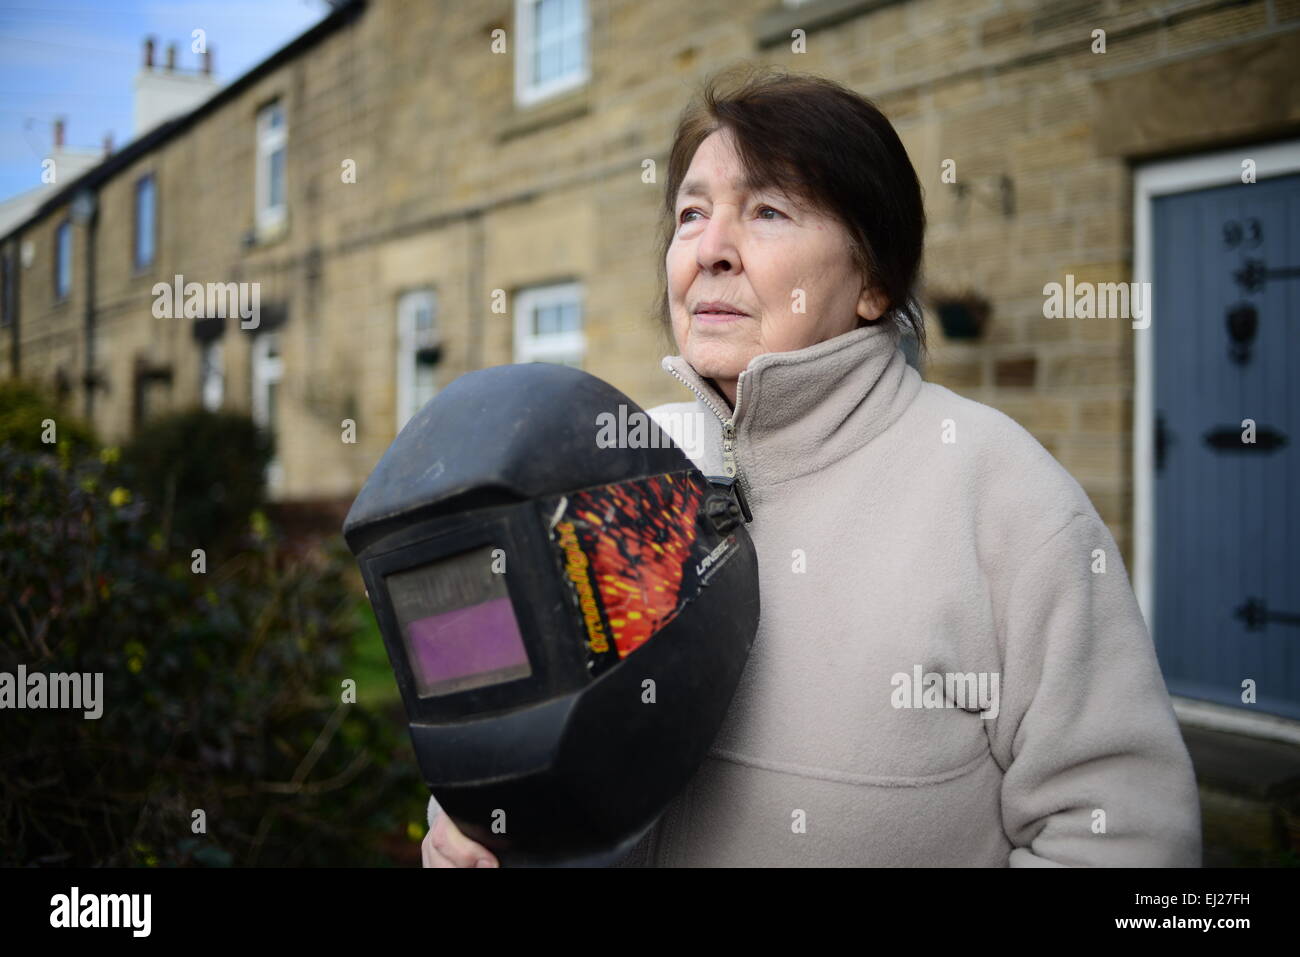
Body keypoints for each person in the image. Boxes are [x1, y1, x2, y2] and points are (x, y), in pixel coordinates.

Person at [424, 66, 1202, 868]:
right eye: (692, 214)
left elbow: (1129, 835)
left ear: (874, 280)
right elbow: (508, 715)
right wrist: (477, 825)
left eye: (767, 211)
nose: (710, 251)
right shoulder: (611, 462)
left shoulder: (1004, 495)